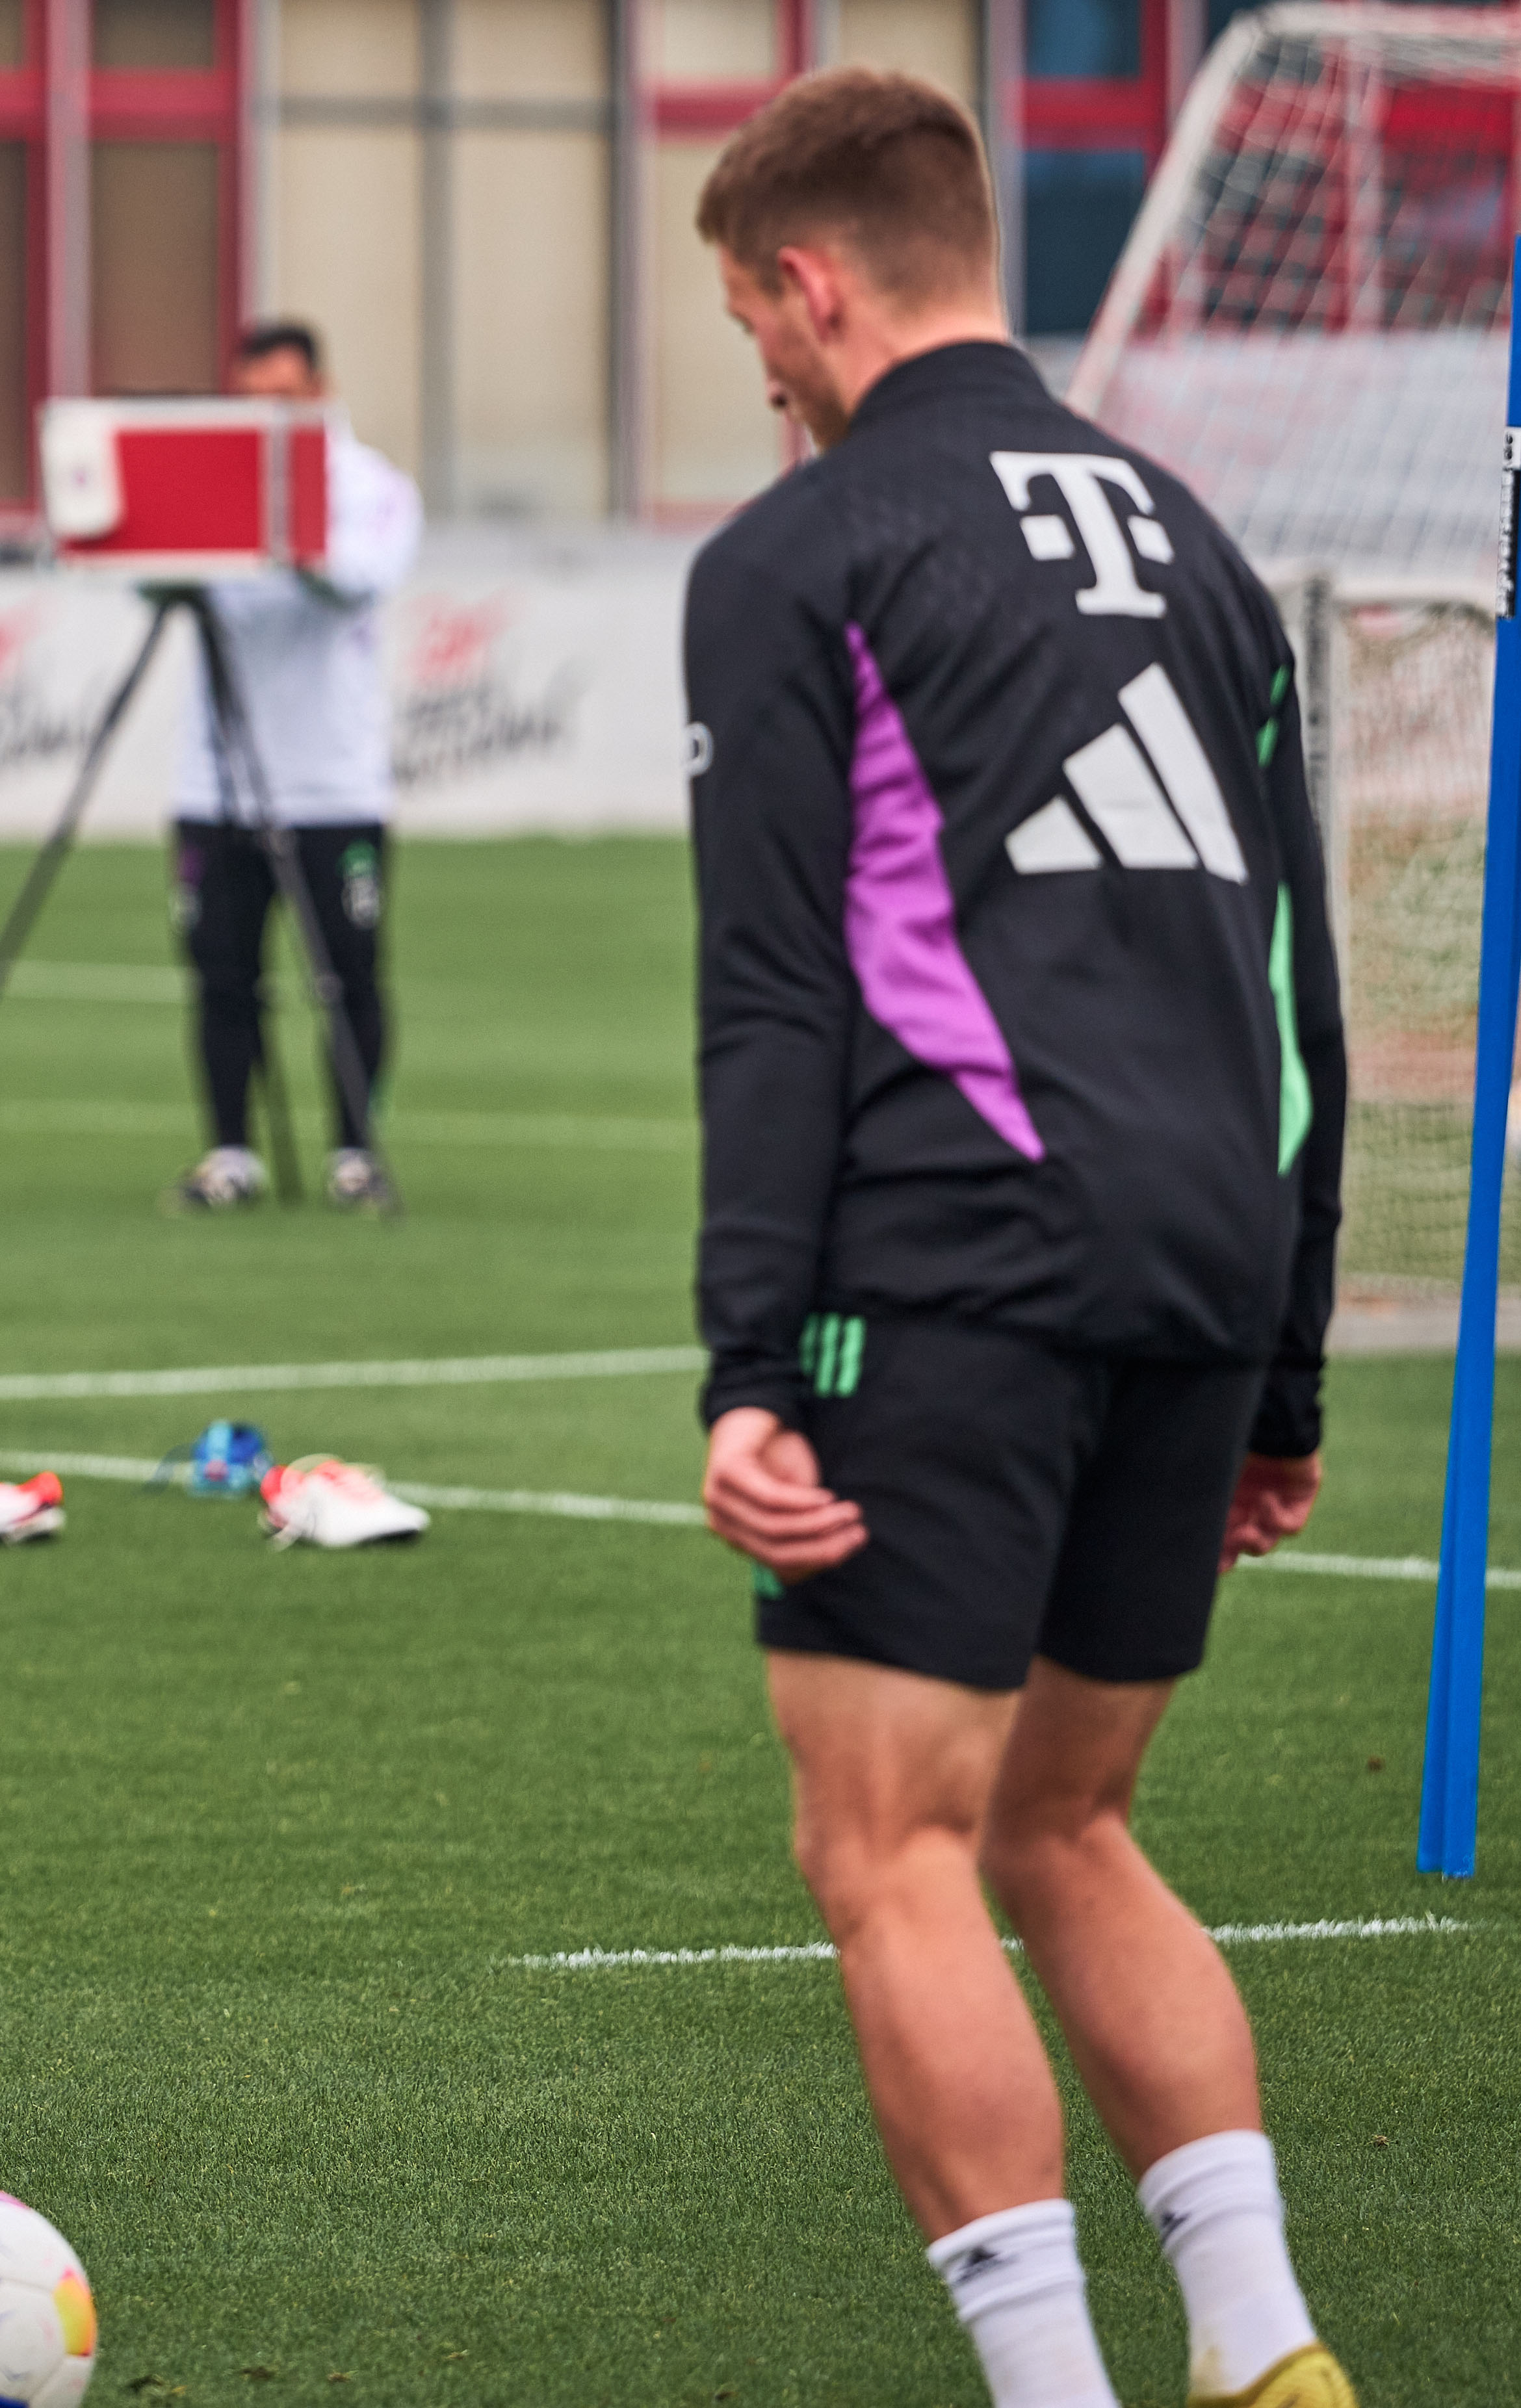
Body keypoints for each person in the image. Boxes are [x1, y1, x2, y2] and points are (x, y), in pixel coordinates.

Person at [684, 70, 1353, 2408]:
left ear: (809, 278)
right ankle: (1262, 2357)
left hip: (949, 1263)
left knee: (889, 1842)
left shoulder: (797, 551)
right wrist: (1272, 1366)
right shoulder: (1191, 541)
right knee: (1069, 1815)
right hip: (1194, 1244)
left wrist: (742, 1365)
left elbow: (772, 991)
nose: (754, 370)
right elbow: (1299, 981)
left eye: (746, 320)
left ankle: (1050, 2388)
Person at [165, 319, 422, 1213]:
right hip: (218, 780)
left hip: (334, 783)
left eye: (283, 397)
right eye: (251, 401)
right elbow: (146, 578)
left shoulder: (371, 486)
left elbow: (362, 577)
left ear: (319, 390)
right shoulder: (210, 478)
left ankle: (354, 1152)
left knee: (347, 972)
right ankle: (231, 1152)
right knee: (222, 974)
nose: (267, 416)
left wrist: (284, 528)